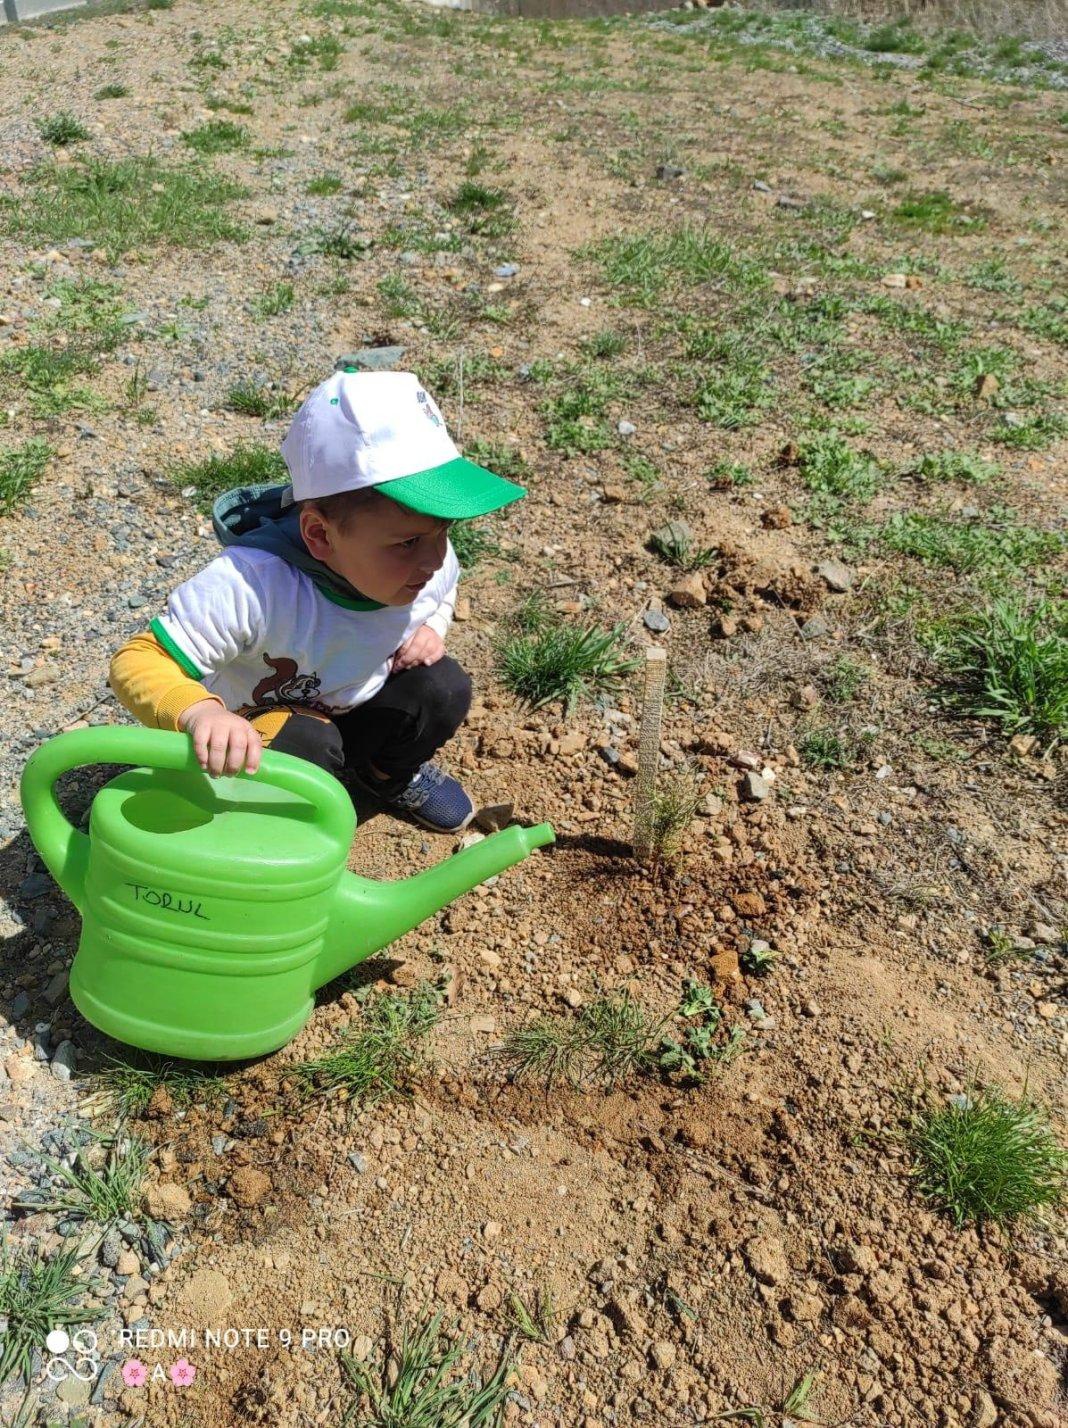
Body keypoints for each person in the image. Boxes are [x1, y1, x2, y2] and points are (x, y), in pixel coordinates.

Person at [108, 369, 526, 834]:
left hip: (350, 700)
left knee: (442, 688)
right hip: (252, 733)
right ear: (320, 535)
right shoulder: (254, 586)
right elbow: (138, 660)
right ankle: (261, 814)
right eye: (408, 542)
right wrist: (201, 712)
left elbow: (444, 586)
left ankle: (384, 775)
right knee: (307, 741)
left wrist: (433, 625)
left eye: (443, 531)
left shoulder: (427, 564)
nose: (435, 558)